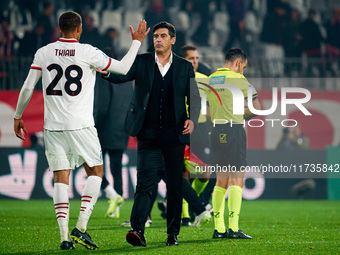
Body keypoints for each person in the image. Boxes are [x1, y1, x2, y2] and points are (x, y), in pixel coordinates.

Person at [13, 11, 149, 250]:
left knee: (60, 178)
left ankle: (65, 238)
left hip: (53, 127)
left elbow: (27, 86)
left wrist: (17, 116)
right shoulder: (88, 52)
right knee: (96, 172)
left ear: (59, 29)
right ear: (79, 29)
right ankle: (81, 227)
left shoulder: (43, 52)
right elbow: (124, 68)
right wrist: (136, 41)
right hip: (82, 125)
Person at [97, 21, 201, 247]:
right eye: (155, 36)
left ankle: (172, 233)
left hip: (175, 134)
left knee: (174, 186)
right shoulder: (142, 61)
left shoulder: (184, 67)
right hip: (147, 133)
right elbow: (120, 76)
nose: (158, 40)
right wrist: (104, 71)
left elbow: (194, 97)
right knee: (144, 184)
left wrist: (192, 119)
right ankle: (138, 230)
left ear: (173, 40)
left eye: (163, 36)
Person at [207, 48, 261, 239]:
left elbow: (207, 111)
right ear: (238, 63)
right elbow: (257, 107)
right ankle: (234, 228)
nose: (243, 72)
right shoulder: (240, 80)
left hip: (216, 130)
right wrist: (238, 112)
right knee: (237, 178)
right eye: (243, 67)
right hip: (234, 130)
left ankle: (219, 229)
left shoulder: (211, 78)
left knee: (221, 180)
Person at [179, 45, 211, 224]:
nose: (195, 62)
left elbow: (211, 105)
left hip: (201, 129)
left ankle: (193, 203)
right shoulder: (177, 78)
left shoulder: (205, 80)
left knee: (205, 174)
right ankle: (184, 214)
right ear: (184, 60)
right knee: (184, 172)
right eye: (192, 58)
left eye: (197, 58)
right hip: (183, 128)